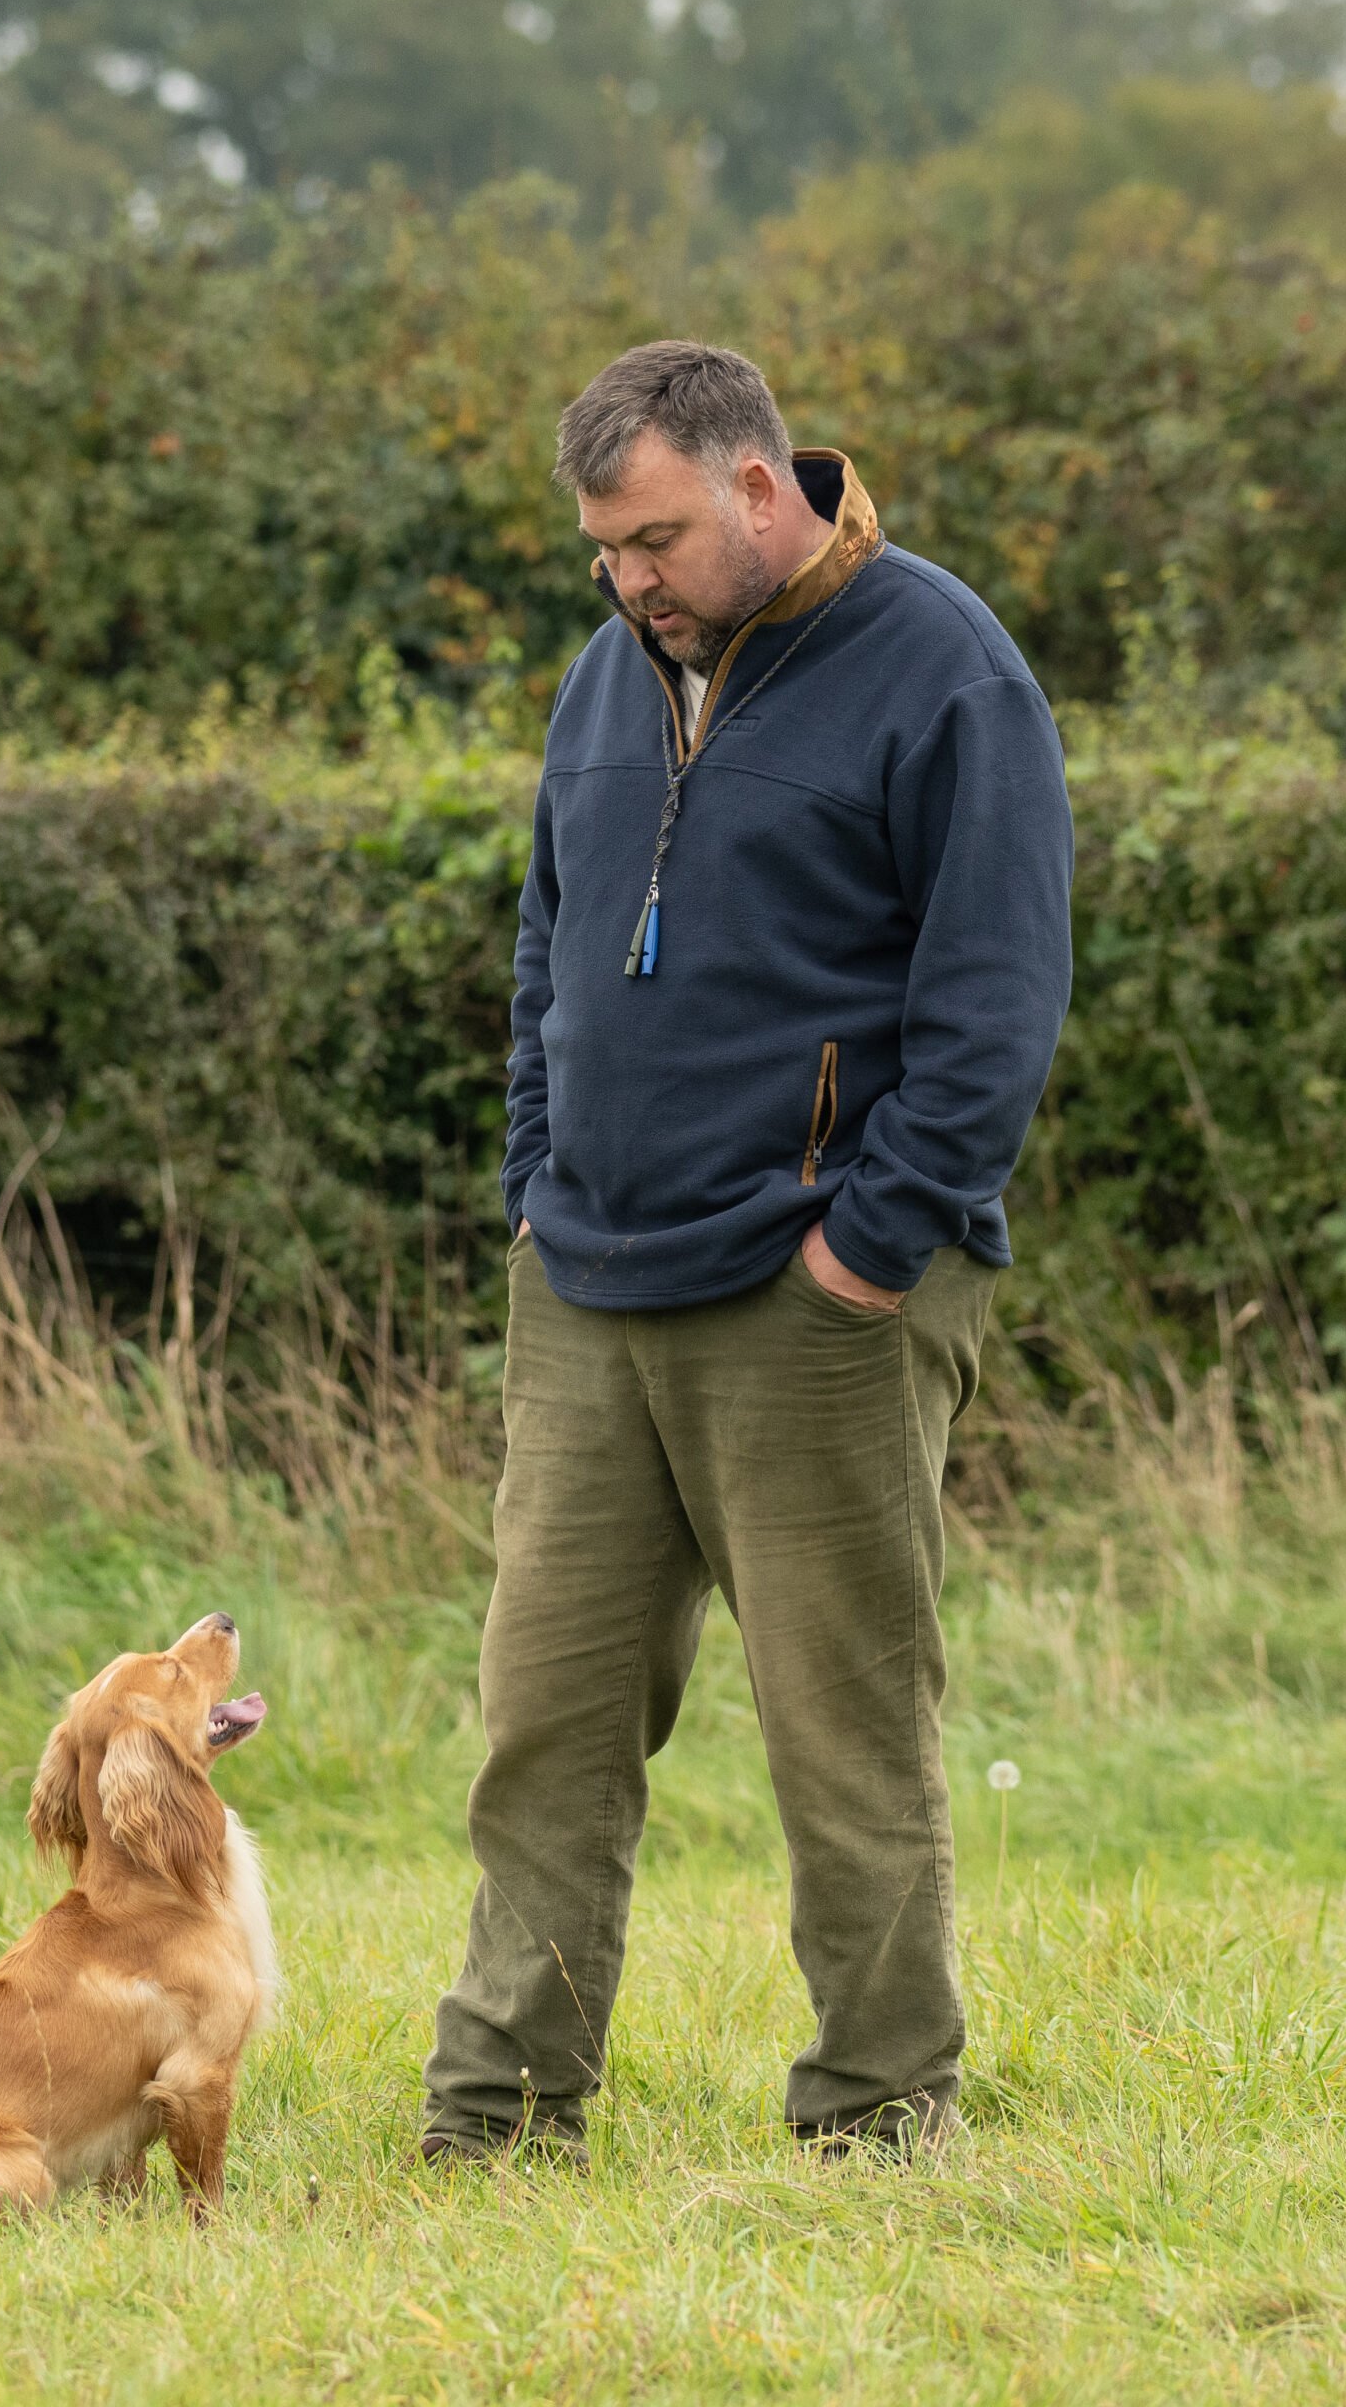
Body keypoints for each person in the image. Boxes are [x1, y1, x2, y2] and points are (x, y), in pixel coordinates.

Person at [421, 341, 1073, 2164]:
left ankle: (880, 2115)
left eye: (649, 541)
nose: (624, 582)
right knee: (541, 1732)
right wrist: (536, 1185)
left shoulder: (947, 670)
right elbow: (549, 941)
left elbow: (998, 998)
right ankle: (497, 2119)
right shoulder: (610, 674)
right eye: (601, 552)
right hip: (589, 1286)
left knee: (842, 1740)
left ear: (761, 488)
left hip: (819, 1302)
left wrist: (868, 1252)